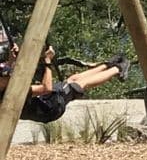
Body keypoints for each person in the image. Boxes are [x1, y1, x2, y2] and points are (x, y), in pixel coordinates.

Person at [0, 42, 129, 124]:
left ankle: (107, 65)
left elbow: (5, 74)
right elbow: (46, 88)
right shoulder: (12, 94)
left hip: (44, 101)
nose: (10, 76)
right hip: (51, 107)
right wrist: (47, 61)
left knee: (72, 78)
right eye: (7, 75)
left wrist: (12, 60)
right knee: (77, 85)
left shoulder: (5, 88)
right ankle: (117, 69)